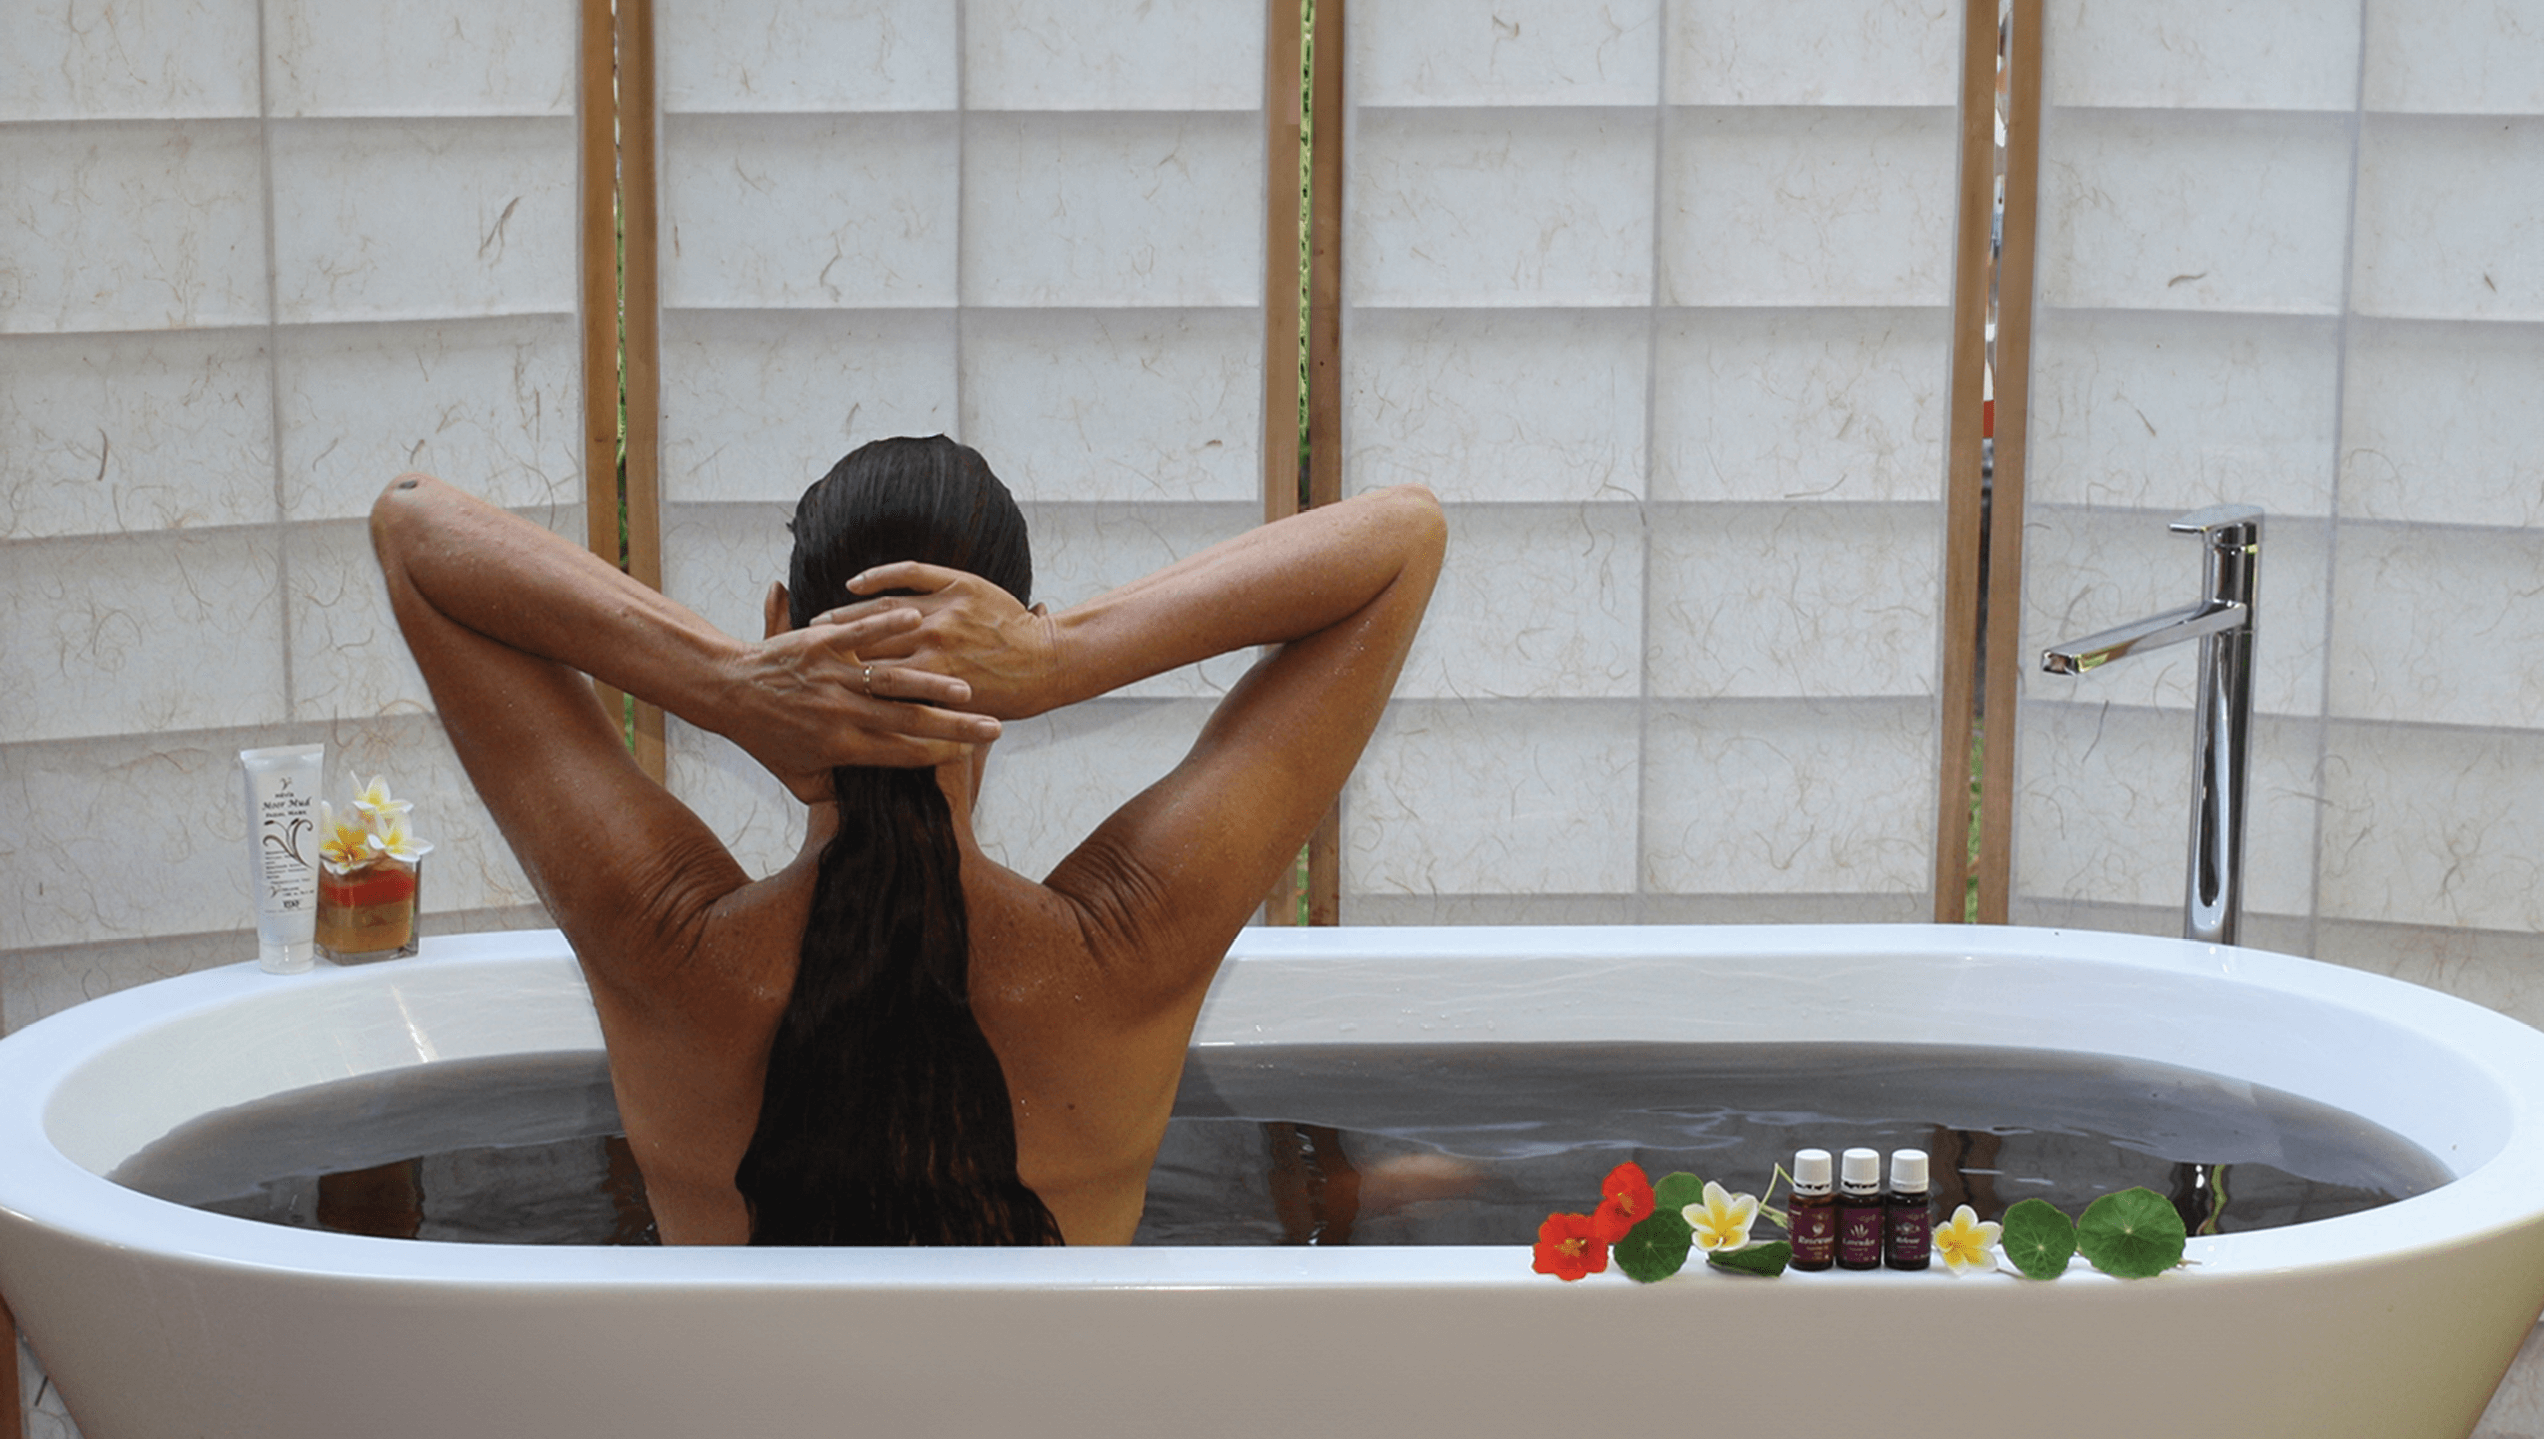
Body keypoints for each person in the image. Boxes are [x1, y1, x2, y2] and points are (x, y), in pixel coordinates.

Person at [370, 436, 1443, 1246]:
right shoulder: (1125, 945)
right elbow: (1402, 538)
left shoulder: (664, 940)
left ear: (780, 619)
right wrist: (1064, 654)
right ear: (1013, 641)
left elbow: (414, 525)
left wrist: (723, 683)